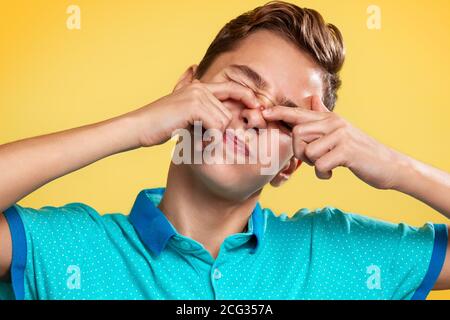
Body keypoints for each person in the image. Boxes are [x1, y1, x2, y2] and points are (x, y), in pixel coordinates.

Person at [0, 1, 449, 300]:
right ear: (186, 88)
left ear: (292, 162)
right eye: (241, 85)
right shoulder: (67, 247)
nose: (255, 115)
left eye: (284, 117)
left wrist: (395, 168)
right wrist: (135, 126)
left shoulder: (336, 253)